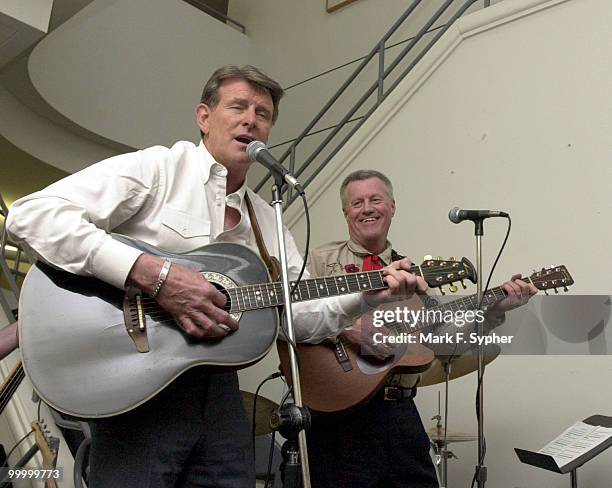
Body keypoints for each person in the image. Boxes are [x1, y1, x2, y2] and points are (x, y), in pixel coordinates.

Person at [6, 66, 425, 488]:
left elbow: (297, 318)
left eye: (263, 113)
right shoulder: (158, 169)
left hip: (218, 388)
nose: (251, 119)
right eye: (238, 106)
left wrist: (365, 296)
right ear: (204, 117)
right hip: (139, 377)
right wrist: (155, 274)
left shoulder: (267, 219)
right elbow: (33, 215)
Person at [305, 169, 537, 488]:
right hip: (337, 413)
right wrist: (349, 329)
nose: (367, 208)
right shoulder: (318, 261)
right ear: (346, 212)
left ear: (392, 206)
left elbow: (443, 342)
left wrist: (494, 311)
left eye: (376, 199)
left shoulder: (412, 274)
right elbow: (295, 316)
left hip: (398, 410)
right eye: (357, 202)